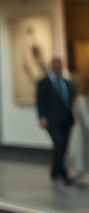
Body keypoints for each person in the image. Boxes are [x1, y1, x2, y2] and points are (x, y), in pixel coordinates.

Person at [36, 56, 75, 185]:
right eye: (55, 64)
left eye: (60, 64)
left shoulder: (67, 83)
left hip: (66, 120)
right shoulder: (44, 83)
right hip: (52, 121)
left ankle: (55, 171)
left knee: (63, 147)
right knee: (59, 143)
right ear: (51, 66)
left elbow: (72, 100)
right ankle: (64, 174)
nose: (58, 67)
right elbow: (40, 101)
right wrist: (42, 117)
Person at [69, 73, 89, 183]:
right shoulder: (81, 100)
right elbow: (85, 117)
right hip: (81, 130)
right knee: (80, 152)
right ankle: (78, 174)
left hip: (84, 130)